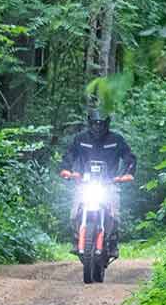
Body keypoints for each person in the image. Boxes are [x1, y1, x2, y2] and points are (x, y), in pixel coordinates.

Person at [59, 108, 139, 255]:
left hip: (109, 183)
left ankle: (113, 242)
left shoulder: (116, 139)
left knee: (115, 213)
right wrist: (66, 170)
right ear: (90, 123)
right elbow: (69, 155)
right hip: (84, 183)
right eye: (95, 123)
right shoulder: (80, 139)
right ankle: (77, 239)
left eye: (101, 124)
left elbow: (129, 158)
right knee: (74, 212)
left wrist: (127, 174)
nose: (98, 127)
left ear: (106, 124)